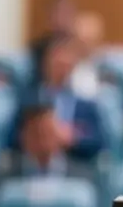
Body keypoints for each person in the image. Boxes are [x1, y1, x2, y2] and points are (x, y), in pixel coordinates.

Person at [0, 100, 98, 207]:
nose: (42, 141)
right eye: (36, 134)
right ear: (23, 137)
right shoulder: (0, 182)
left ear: (59, 134)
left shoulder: (84, 179)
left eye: (48, 133)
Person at [9, 34, 105, 162]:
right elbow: (11, 138)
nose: (62, 63)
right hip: (32, 164)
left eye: (67, 58)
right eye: (57, 57)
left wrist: (72, 138)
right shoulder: (28, 99)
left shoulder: (85, 105)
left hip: (73, 165)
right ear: (45, 61)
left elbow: (98, 142)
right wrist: (39, 136)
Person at [29, 0, 76, 84]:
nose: (60, 19)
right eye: (56, 13)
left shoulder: (79, 45)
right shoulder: (38, 48)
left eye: (65, 13)